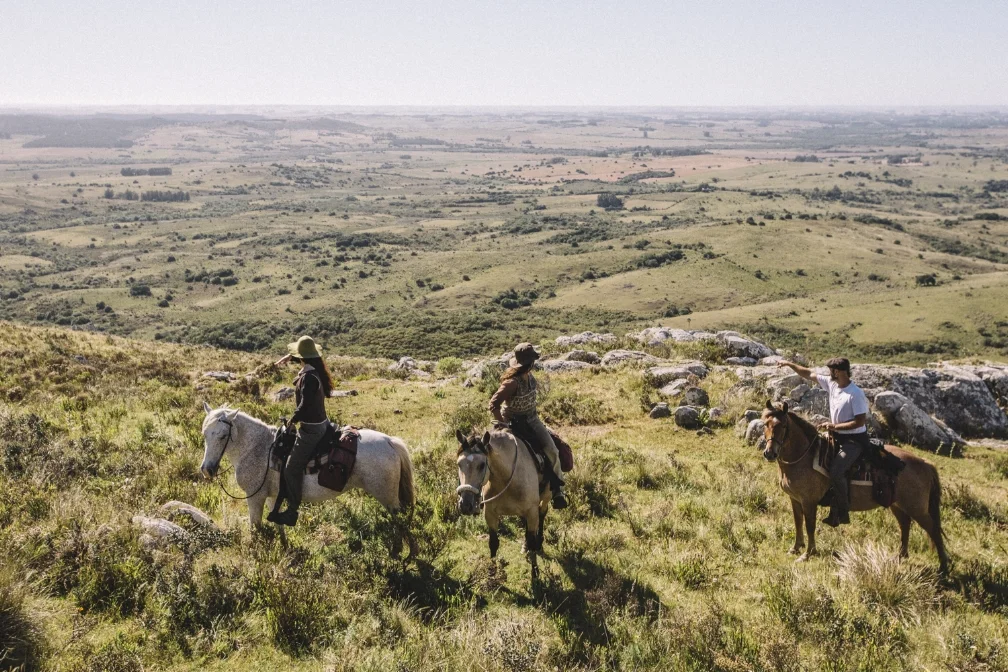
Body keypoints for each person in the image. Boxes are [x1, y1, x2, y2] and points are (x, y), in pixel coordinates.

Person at [776, 356, 871, 527]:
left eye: (831, 370)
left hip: (854, 440)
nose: (829, 373)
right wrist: (790, 365)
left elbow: (860, 422)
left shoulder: (855, 394)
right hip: (836, 436)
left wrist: (834, 426)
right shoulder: (832, 383)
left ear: (839, 371)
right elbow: (809, 374)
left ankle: (842, 511)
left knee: (836, 471)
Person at [488, 343, 568, 509]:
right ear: (530, 363)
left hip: (532, 420)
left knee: (552, 450)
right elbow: (493, 404)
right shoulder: (511, 383)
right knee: (488, 454)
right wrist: (503, 424)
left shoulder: (530, 376)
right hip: (513, 423)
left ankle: (558, 489)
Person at [266, 335, 334, 526]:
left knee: (291, 468)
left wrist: (293, 420)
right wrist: (288, 358)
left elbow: (304, 405)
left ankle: (292, 510)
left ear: (302, 357)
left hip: (311, 430)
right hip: (321, 424)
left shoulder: (309, 378)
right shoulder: (315, 371)